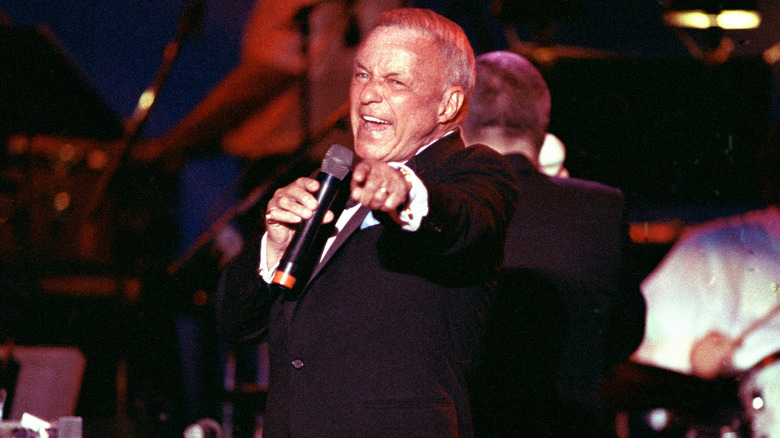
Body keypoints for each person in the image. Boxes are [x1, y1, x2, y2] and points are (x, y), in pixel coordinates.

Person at [215, 8, 518, 437]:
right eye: (362, 75)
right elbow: (236, 323)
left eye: (395, 82)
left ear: (449, 104)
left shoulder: (472, 172)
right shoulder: (333, 192)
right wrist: (276, 248)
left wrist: (403, 192)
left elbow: (463, 220)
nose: (368, 95)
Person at [460, 50, 645, 437]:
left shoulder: (435, 209)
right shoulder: (602, 206)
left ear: (460, 122)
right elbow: (626, 331)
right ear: (543, 127)